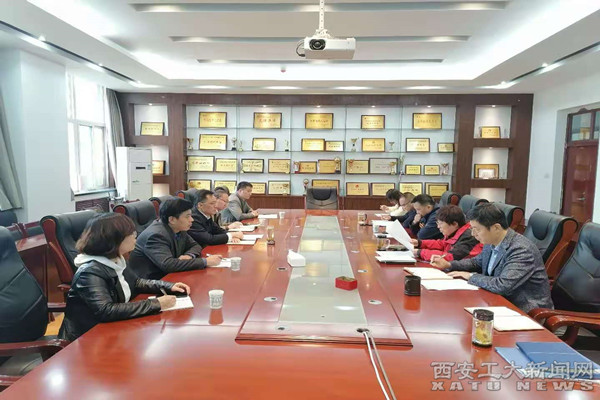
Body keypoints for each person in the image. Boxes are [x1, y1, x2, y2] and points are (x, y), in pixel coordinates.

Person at [58, 213, 191, 341]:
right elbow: (106, 310)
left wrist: (168, 286)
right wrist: (156, 303)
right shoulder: (90, 272)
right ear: (115, 239)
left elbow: (136, 282)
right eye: (132, 234)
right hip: (88, 338)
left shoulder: (116, 259)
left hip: (114, 329)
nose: (135, 237)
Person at [431, 203, 553, 313]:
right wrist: (449, 264)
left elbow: (502, 285)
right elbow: (476, 262)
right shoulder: (491, 240)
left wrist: (470, 276)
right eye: (472, 229)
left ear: (496, 228)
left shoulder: (521, 250)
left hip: (524, 310)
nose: (473, 234)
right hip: (495, 301)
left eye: (477, 229)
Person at [128, 197, 222, 280]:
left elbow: (195, 245)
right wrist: (205, 261)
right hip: (153, 282)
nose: (192, 220)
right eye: (187, 216)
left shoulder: (178, 228)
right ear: (172, 219)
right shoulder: (156, 235)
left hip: (171, 275)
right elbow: (168, 265)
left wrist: (189, 255)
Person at [411, 205, 482, 262]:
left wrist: (420, 252)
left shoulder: (468, 236)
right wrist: (420, 243)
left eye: (441, 223)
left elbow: (450, 257)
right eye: (437, 223)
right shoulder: (453, 232)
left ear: (454, 224)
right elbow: (442, 244)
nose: (438, 227)